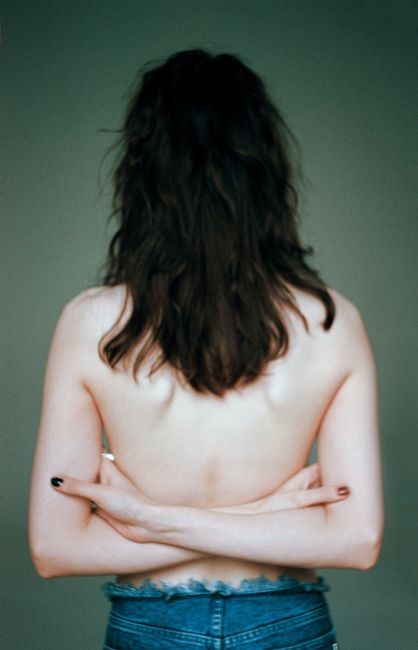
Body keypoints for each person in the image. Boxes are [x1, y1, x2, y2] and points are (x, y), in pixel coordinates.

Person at [28, 48, 384, 649]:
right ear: (266, 171)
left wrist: (153, 519)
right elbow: (53, 551)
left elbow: (359, 542)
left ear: (142, 174)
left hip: (151, 626)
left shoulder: (90, 323)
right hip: (287, 622)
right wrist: (258, 515)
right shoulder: (331, 322)